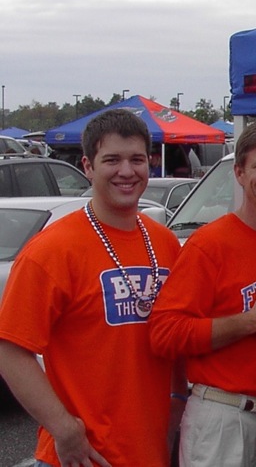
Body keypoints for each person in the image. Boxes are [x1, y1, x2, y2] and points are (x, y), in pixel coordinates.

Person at [0, 109, 184, 467]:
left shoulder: (165, 244)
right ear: (87, 166)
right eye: (111, 160)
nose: (126, 171)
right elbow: (10, 350)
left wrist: (177, 402)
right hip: (82, 456)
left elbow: (176, 336)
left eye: (136, 159)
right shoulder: (52, 250)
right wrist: (63, 429)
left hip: (151, 450)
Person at [149, 120, 256, 467]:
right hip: (223, 417)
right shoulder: (210, 244)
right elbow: (164, 333)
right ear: (239, 173)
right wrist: (250, 322)